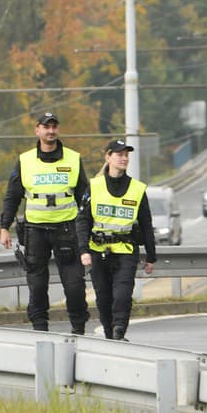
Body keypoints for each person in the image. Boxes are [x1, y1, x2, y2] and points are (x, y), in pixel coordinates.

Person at [0, 112, 90, 333]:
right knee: (37, 286)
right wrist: (4, 227)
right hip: (35, 230)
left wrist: (89, 229)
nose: (50, 131)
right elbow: (12, 196)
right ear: (37, 130)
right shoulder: (25, 160)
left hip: (67, 229)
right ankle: (40, 331)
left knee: (75, 286)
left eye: (54, 127)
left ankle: (78, 329)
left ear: (58, 130)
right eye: (46, 127)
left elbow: (85, 199)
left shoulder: (73, 158)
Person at [76, 139, 156, 341]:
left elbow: (146, 224)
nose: (124, 158)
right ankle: (110, 333)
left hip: (126, 250)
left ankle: (119, 329)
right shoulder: (94, 186)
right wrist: (84, 250)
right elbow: (83, 220)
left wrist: (151, 257)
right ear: (108, 157)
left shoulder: (137, 189)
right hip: (98, 250)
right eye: (120, 154)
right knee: (103, 298)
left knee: (122, 294)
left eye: (127, 155)